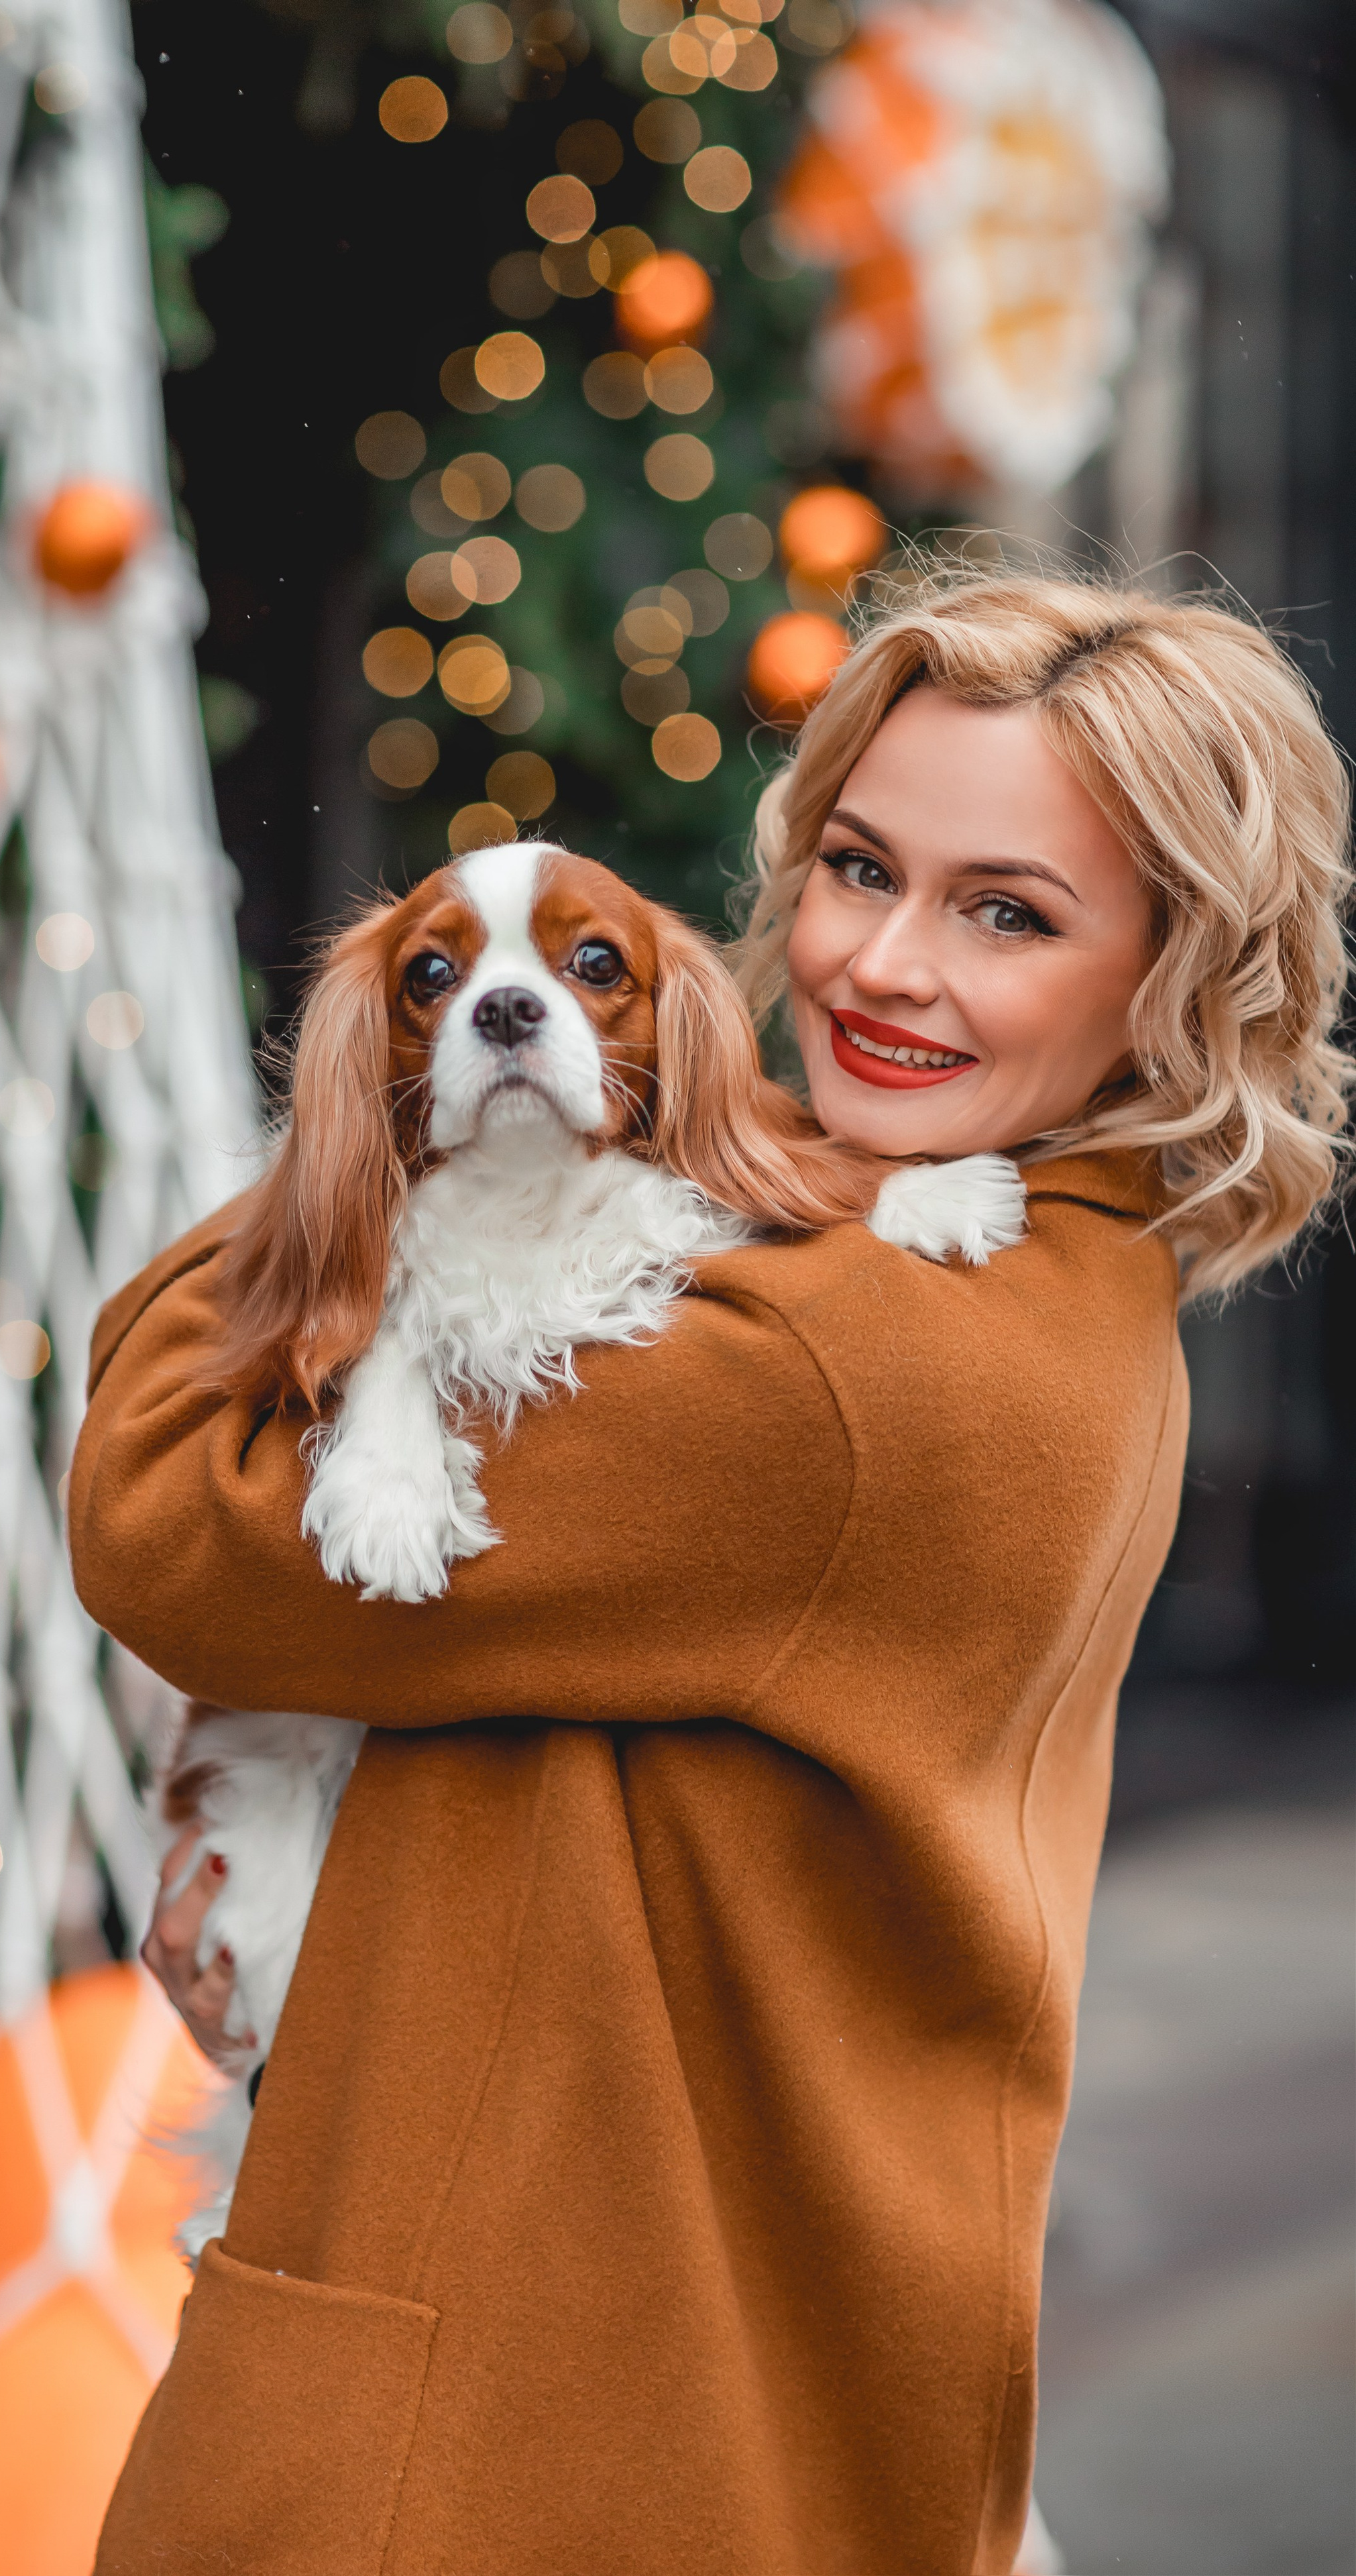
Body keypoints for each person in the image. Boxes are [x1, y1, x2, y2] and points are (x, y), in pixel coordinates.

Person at [70, 571, 1351, 2576]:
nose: (880, 967)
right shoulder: (1034, 1274)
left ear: (1174, 982)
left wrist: (362, 1125)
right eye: (858, 866)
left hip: (526, 2438)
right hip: (708, 2375)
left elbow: (168, 1516)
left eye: (1008, 913)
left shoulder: (842, 1380)